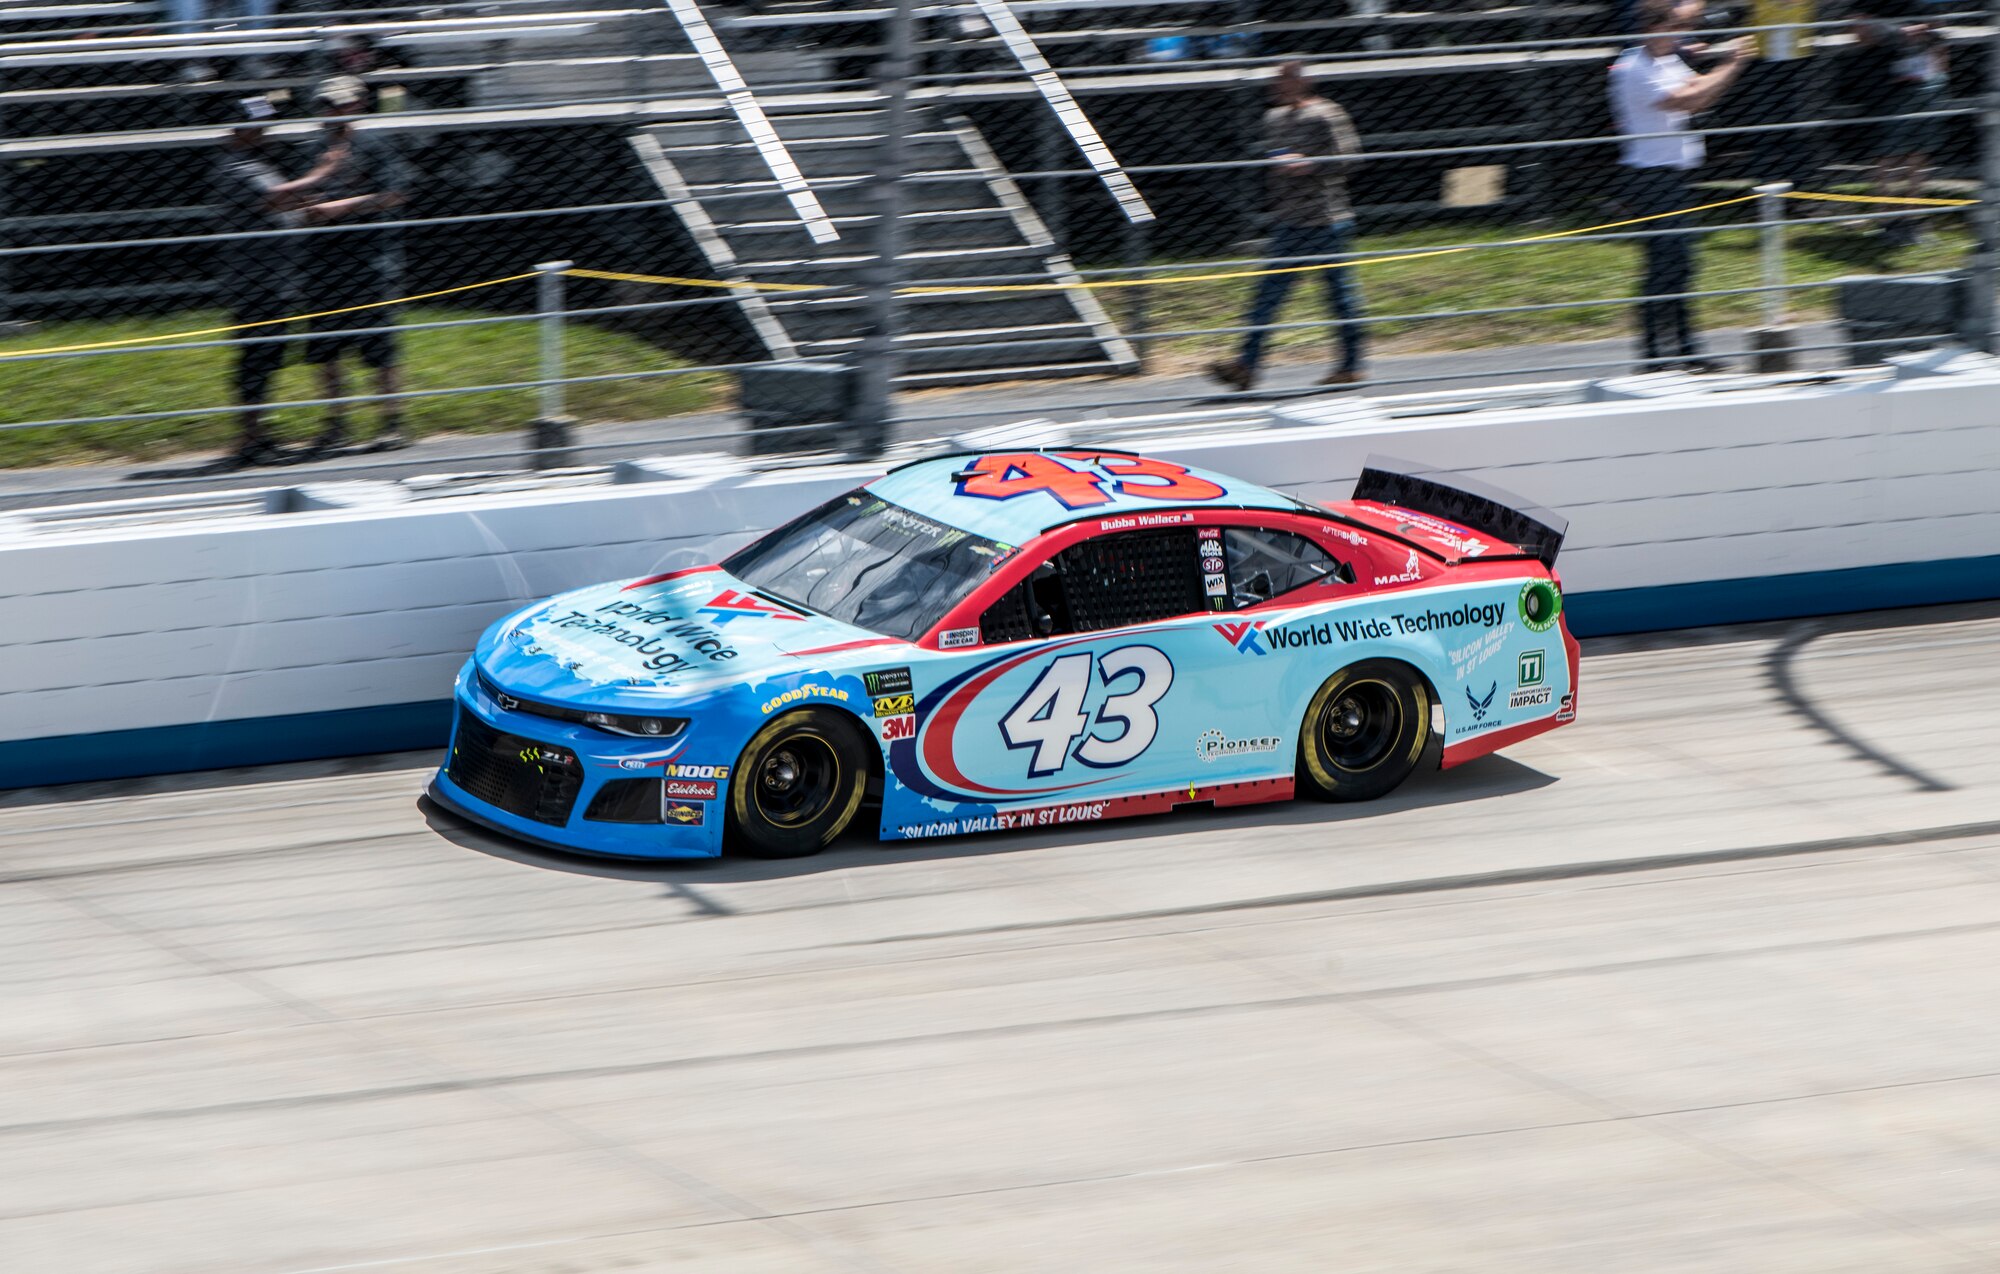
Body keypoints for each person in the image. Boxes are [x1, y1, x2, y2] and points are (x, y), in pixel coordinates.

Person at [1608, 0, 1752, 373]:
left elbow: (1699, 89)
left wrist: (1712, 77)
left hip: (1672, 175)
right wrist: (1732, 64)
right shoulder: (1633, 68)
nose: (1683, 35)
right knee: (1665, 266)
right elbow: (1689, 99)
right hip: (1650, 177)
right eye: (1676, 27)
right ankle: (1656, 354)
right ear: (1657, 28)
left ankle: (1684, 350)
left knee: (1680, 266)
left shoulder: (1666, 59)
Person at [1207, 60, 1366, 394]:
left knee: (1340, 298)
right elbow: (1275, 155)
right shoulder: (1273, 118)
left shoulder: (1326, 115)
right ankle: (1246, 366)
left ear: (1304, 81)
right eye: (1276, 79)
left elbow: (1350, 159)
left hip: (1326, 220)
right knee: (1266, 298)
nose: (1277, 85)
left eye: (1285, 79)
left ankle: (1351, 366)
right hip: (1289, 222)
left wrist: (1308, 166)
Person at [211, 95, 348, 468]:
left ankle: (258, 434)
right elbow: (273, 197)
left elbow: (282, 204)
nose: (265, 131)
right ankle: (249, 438)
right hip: (254, 281)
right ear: (239, 128)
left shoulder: (257, 162)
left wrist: (307, 203)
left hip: (275, 278)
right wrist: (325, 171)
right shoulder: (233, 166)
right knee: (256, 358)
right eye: (258, 125)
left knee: (269, 357)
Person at [299, 75, 413, 454]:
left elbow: (394, 193)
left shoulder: (374, 144)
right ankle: (336, 424)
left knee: (380, 347)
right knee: (326, 350)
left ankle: (392, 422)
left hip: (369, 260)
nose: (332, 111)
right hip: (322, 261)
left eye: (340, 104)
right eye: (327, 105)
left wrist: (341, 206)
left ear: (356, 106)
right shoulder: (312, 147)